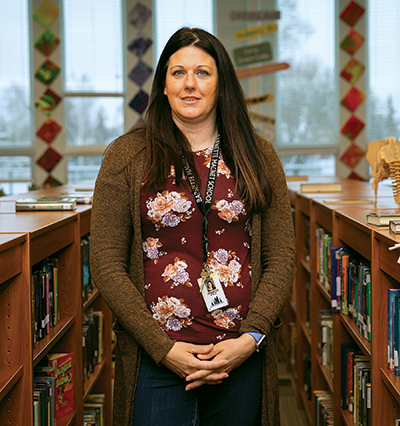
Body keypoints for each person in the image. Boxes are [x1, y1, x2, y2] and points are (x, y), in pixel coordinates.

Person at [90, 27, 295, 426]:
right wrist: (162, 348)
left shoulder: (259, 155)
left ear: (222, 85)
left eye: (203, 72)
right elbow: (105, 263)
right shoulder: (125, 156)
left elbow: (281, 255)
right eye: (177, 72)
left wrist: (250, 339)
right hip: (157, 360)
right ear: (162, 86)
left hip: (239, 356)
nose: (189, 84)